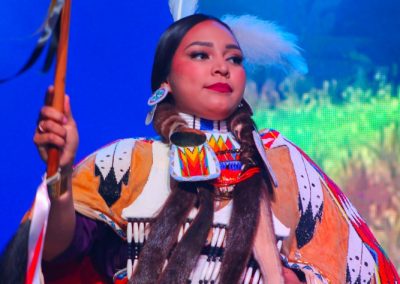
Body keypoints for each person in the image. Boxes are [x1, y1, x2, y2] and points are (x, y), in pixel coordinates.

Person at [2, 14, 398, 284]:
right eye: (200, 55)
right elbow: (54, 252)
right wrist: (62, 174)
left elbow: (351, 266)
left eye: (234, 58)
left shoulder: (284, 167)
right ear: (165, 83)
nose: (222, 67)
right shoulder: (128, 163)